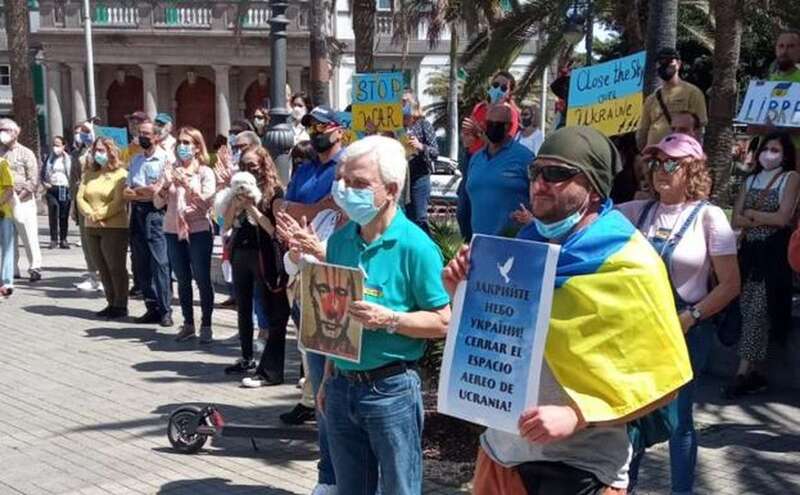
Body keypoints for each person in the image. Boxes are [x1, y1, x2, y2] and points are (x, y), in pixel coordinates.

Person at [443, 126, 693, 495]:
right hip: (502, 456)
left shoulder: (631, 265)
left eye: (557, 174)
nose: (539, 183)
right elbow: (489, 340)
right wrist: (459, 292)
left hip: (583, 467)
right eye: (535, 172)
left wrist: (578, 416)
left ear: (593, 188)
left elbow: (663, 385)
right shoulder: (518, 250)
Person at [317, 135, 451, 495]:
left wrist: (389, 319)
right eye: (342, 180)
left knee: (399, 489)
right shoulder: (340, 240)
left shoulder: (416, 246)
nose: (344, 190)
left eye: (359, 183)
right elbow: (334, 315)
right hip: (343, 387)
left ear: (391, 189)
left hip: (391, 390)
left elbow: (443, 321)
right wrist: (329, 377)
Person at [618, 133, 741, 494]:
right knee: (633, 413)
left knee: (680, 420)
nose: (662, 171)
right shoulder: (636, 212)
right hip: (640, 329)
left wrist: (692, 318)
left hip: (686, 330)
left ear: (693, 170)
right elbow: (588, 216)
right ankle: (627, 486)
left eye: (672, 163)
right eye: (657, 163)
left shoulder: (710, 217)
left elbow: (730, 284)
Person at [274, 104, 345, 495]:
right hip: (301, 276)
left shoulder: (345, 171)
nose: (316, 132)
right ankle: (328, 476)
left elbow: (334, 212)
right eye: (311, 126)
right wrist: (305, 211)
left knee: (331, 388)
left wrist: (303, 211)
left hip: (332, 281)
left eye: (322, 126)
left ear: (339, 130)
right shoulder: (304, 170)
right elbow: (281, 209)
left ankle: (339, 476)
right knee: (317, 379)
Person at [727, 132, 799, 398]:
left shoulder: (790, 179)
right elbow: (736, 219)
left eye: (775, 149)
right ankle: (755, 372)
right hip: (749, 256)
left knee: (759, 310)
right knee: (747, 308)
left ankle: (743, 372)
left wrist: (753, 215)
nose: (769, 154)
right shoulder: (751, 179)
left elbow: (783, 218)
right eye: (766, 149)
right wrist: (760, 219)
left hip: (773, 256)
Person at [221, 147, 290, 386]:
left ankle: (269, 366)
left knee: (270, 311)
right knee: (242, 306)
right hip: (241, 250)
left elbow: (273, 230)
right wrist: (235, 202)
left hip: (264, 255)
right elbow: (227, 224)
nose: (249, 169)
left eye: (253, 165)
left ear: (264, 165)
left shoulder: (274, 192)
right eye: (244, 165)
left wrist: (251, 206)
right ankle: (246, 355)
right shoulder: (237, 190)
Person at [154, 127, 217, 343]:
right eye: (180, 142)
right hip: (173, 230)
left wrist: (188, 184)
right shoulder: (170, 170)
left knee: (201, 278)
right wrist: (167, 185)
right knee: (182, 279)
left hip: (198, 230)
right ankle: (188, 323)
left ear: (198, 147)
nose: (182, 146)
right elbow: (157, 202)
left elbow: (206, 204)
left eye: (187, 143)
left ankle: (206, 324)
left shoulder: (205, 172)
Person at [124, 120, 173, 327]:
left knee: (160, 263)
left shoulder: (164, 159)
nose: (141, 137)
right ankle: (151, 306)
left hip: (156, 214)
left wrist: (140, 192)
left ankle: (165, 310)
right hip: (137, 214)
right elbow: (126, 192)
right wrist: (141, 193)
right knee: (140, 264)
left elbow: (157, 191)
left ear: (156, 137)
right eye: (139, 133)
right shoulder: (135, 160)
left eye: (146, 133)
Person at [76, 138, 130, 319]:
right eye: (95, 150)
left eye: (101, 150)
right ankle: (110, 302)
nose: (97, 153)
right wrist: (89, 213)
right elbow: (80, 197)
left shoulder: (121, 174)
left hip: (114, 226)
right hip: (91, 227)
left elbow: (118, 201)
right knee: (102, 267)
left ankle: (121, 304)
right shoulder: (89, 173)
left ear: (111, 152)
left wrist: (99, 215)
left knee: (115, 267)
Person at [465, 104, 534, 236]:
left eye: (497, 124)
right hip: (480, 242)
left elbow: (538, 197)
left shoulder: (525, 158)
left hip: (514, 243)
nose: (492, 127)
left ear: (508, 126)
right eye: (489, 123)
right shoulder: (476, 159)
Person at [637, 47, 708, 149]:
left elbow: (699, 128)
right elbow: (643, 130)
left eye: (669, 61)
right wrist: (644, 152)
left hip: (681, 154)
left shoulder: (693, 93)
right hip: (655, 155)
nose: (664, 65)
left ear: (678, 64)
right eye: (660, 62)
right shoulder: (651, 99)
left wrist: (695, 154)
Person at [0, 118, 42, 283]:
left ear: (15, 132)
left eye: (5, 130)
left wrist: (19, 196)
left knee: (28, 234)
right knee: (7, 237)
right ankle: (12, 269)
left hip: (22, 199)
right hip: (4, 201)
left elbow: (33, 179)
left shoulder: (26, 153)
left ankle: (35, 267)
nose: (2, 133)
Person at [70, 122, 103, 292]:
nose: (81, 135)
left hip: (99, 202)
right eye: (79, 132)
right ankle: (92, 276)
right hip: (81, 200)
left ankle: (105, 276)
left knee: (102, 241)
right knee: (86, 241)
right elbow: (73, 179)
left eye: (85, 131)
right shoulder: (77, 153)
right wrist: (73, 206)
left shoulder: (103, 151)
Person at [461, 70, 521, 156]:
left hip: (494, 159)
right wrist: (467, 136)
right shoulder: (480, 107)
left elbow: (502, 145)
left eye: (503, 88)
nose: (498, 89)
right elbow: (468, 136)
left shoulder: (509, 113)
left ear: (509, 93)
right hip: (473, 157)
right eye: (496, 85)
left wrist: (478, 132)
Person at [403, 92, 438, 234]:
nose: (401, 105)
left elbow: (435, 152)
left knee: (419, 218)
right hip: (401, 178)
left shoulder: (423, 125)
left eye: (404, 102)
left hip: (419, 178)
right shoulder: (394, 127)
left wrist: (421, 146)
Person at [42, 136, 73, 249]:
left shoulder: (68, 158)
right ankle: (53, 239)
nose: (56, 147)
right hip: (51, 188)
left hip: (63, 188)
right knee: (53, 212)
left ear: (63, 146)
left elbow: (72, 174)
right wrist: (44, 183)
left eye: (58, 145)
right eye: (54, 145)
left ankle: (63, 239)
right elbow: (43, 172)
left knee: (63, 215)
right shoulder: (49, 158)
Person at [0, 157, 14, 297]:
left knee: (6, 247)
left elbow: (9, 189)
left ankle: (6, 282)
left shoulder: (2, 163)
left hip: (3, 213)